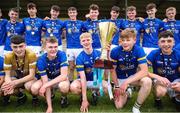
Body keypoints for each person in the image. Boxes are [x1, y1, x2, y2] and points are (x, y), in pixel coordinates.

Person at [110, 28, 152, 113]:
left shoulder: (139, 49)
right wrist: (117, 86)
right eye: (122, 40)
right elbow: (112, 70)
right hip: (120, 78)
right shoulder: (115, 51)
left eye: (128, 40)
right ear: (120, 41)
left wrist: (127, 82)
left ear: (134, 40)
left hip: (133, 78)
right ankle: (128, 92)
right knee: (119, 106)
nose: (125, 42)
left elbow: (144, 71)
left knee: (147, 81)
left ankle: (136, 107)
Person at [70, 32, 108, 112]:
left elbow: (103, 71)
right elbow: (83, 78)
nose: (86, 42)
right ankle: (82, 96)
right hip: (83, 80)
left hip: (95, 80)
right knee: (73, 87)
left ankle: (95, 92)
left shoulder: (99, 53)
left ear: (92, 41)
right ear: (80, 43)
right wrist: (85, 99)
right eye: (83, 41)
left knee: (107, 87)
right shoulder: (80, 57)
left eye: (88, 40)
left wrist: (107, 54)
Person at [31, 37, 69, 113]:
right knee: (34, 88)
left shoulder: (62, 54)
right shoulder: (41, 60)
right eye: (50, 47)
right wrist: (49, 107)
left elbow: (63, 76)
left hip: (59, 79)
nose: (53, 49)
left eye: (55, 47)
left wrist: (45, 85)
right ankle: (49, 97)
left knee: (64, 86)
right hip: (47, 79)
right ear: (45, 47)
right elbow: (45, 82)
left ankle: (64, 98)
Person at [147, 31, 180, 111]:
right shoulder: (154, 53)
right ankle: (157, 100)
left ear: (174, 43)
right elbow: (142, 70)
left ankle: (176, 98)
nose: (166, 44)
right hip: (160, 80)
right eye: (163, 41)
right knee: (160, 91)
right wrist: (158, 77)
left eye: (169, 41)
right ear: (158, 43)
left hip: (175, 80)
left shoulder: (178, 54)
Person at [1, 35, 37, 106]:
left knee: (29, 86)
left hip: (30, 79)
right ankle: (21, 95)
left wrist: (14, 83)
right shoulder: (8, 56)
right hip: (18, 77)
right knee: (4, 87)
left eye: (21, 46)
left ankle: (34, 97)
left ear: (25, 45)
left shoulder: (31, 55)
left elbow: (31, 75)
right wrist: (9, 85)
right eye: (15, 47)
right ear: (11, 46)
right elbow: (7, 76)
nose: (18, 49)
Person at [63, 7, 84, 82]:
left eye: (73, 12)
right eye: (70, 13)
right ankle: (70, 81)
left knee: (79, 66)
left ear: (76, 13)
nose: (72, 14)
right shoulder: (65, 23)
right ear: (68, 14)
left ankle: (79, 81)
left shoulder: (81, 23)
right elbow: (55, 25)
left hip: (79, 48)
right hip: (69, 48)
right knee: (71, 67)